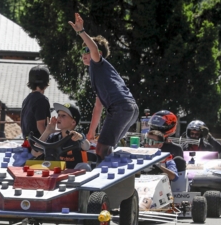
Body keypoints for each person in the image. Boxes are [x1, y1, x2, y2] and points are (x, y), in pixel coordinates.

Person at [68, 13, 139, 160]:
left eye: (86, 50)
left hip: (120, 108)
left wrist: (81, 31)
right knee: (107, 147)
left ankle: (104, 179)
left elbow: (93, 49)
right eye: (82, 51)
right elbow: (98, 107)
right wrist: (91, 133)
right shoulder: (101, 74)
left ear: (98, 53)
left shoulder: (97, 63)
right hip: (131, 109)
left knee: (101, 149)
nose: (84, 54)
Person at [30, 102, 92, 170]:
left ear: (73, 122)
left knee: (85, 166)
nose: (59, 117)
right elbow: (35, 153)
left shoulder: (77, 137)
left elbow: (87, 146)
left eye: (63, 116)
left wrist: (81, 138)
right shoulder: (53, 137)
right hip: (55, 172)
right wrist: (47, 131)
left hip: (73, 174)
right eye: (58, 115)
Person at [21, 64, 52, 147]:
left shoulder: (27, 99)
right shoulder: (42, 100)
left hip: (27, 142)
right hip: (37, 145)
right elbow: (40, 125)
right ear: (46, 82)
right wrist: (49, 144)